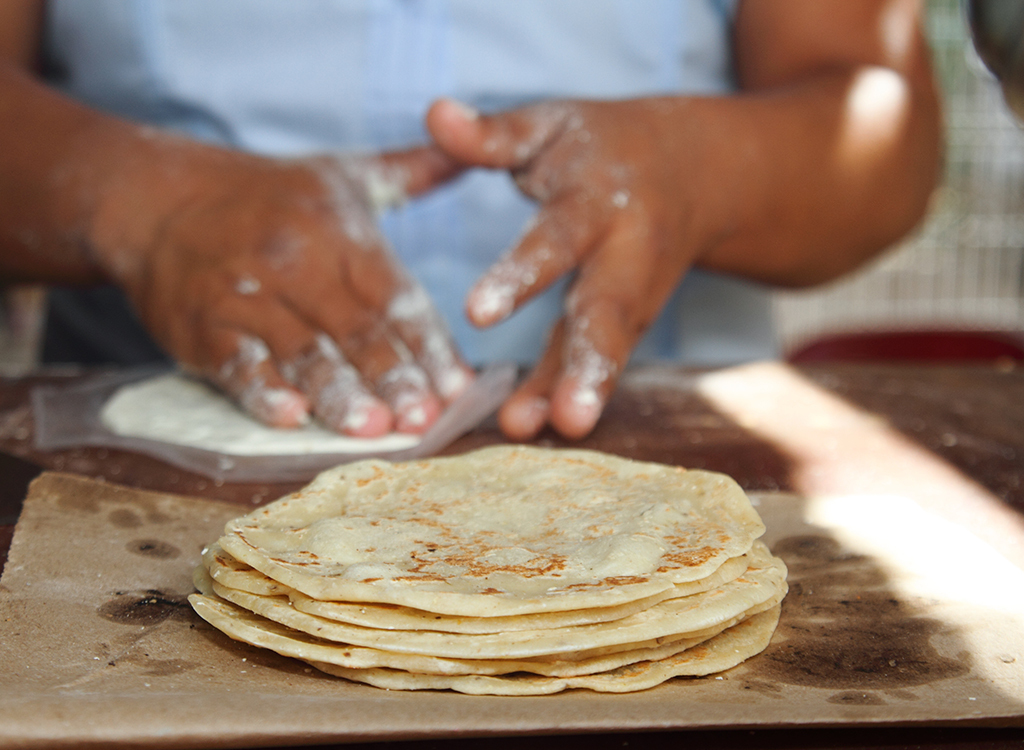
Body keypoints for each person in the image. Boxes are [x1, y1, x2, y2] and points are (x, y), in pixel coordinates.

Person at [0, 0, 941, 441]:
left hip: (653, 445)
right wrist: (136, 195)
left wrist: (704, 167)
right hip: (135, 469)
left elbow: (885, 143)